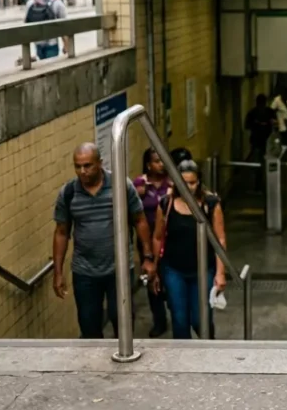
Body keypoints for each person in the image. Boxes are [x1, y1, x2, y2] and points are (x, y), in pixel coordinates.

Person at [52, 143, 157, 339]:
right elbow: (61, 232)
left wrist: (148, 257)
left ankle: (124, 356)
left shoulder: (121, 186)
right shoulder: (69, 193)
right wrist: (58, 272)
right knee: (89, 325)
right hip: (85, 271)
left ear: (100, 163)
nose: (82, 171)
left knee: (122, 321)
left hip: (119, 268)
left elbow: (140, 220)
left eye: (87, 165)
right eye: (77, 166)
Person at [152, 159, 227, 339]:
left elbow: (220, 239)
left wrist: (220, 273)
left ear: (199, 181)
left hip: (203, 269)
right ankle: (183, 355)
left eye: (192, 183)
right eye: (184, 183)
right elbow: (158, 237)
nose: (188, 188)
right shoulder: (166, 204)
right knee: (179, 320)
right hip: (174, 270)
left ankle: (208, 349)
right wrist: (155, 269)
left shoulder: (210, 204)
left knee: (200, 320)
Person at [133, 148, 171, 337]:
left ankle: (175, 309)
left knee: (169, 276)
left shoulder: (171, 183)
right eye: (156, 161)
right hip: (147, 240)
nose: (161, 164)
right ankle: (159, 320)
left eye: (163, 160)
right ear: (148, 165)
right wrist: (138, 194)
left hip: (169, 239)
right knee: (152, 276)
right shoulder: (139, 184)